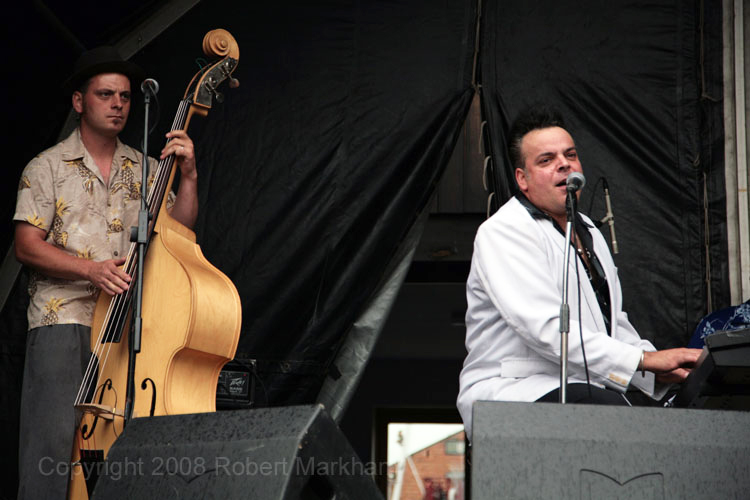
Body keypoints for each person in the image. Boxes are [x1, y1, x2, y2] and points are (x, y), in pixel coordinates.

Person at [13, 46, 199, 499]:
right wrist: (91, 270)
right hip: (64, 320)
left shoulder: (147, 168)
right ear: (79, 102)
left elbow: (179, 234)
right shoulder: (47, 167)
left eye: (125, 96)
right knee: (50, 448)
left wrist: (189, 176)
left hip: (128, 326)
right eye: (105, 94)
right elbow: (26, 246)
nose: (118, 103)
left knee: (124, 446)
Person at [456, 106, 701, 439]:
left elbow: (612, 325)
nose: (564, 163)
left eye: (570, 154)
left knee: (660, 424)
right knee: (612, 415)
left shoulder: (589, 230)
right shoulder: (503, 231)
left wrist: (657, 369)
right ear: (522, 180)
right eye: (546, 160)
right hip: (514, 391)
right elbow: (546, 328)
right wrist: (642, 361)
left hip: (580, 390)